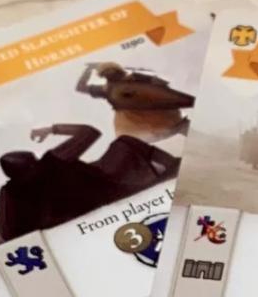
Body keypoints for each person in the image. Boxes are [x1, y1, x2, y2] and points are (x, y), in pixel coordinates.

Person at [74, 61, 194, 201]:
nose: (110, 75)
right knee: (137, 152)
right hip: (139, 127)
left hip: (164, 119)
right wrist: (89, 69)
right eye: (106, 74)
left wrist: (145, 78)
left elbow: (162, 87)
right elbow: (80, 87)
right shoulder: (108, 89)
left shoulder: (136, 79)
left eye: (111, 72)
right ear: (104, 76)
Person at [0, 125, 114, 239]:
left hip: (63, 234)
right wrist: (51, 129)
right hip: (99, 214)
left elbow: (7, 233)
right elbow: (89, 132)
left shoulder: (10, 191)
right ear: (32, 161)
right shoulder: (52, 162)